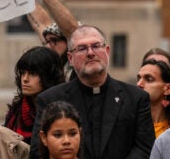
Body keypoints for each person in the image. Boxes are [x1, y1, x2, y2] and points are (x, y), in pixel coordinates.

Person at [29, 25, 155, 159]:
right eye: (82, 48)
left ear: (107, 51)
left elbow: (144, 148)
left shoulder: (136, 98)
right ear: (70, 58)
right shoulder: (50, 99)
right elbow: (38, 152)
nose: (90, 53)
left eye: (96, 46)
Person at [27, 0, 79, 82]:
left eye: (55, 41)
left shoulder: (79, 62)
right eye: (47, 41)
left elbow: (72, 29)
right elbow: (40, 22)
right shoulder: (51, 63)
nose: (49, 46)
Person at [4, 46, 65, 144]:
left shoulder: (63, 111)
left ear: (48, 76)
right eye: (23, 73)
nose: (25, 79)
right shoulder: (15, 113)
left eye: (32, 73)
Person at [137, 60, 170, 137]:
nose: (139, 84)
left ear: (168, 89)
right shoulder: (126, 122)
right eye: (139, 79)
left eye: (149, 79)